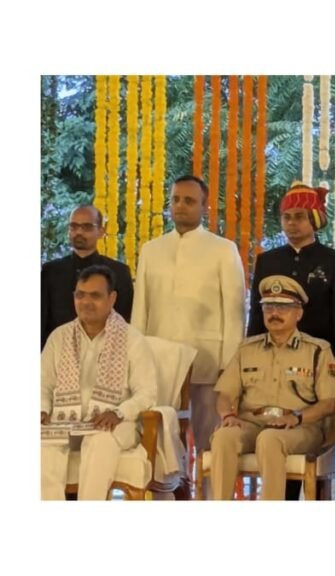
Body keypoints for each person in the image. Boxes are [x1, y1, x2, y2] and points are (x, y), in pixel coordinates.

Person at [132, 175, 246, 496]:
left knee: (210, 440)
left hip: (208, 362)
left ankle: (211, 500)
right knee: (160, 438)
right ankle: (164, 498)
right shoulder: (151, 250)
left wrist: (229, 367)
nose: (180, 206)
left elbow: (235, 313)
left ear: (205, 206)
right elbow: (141, 309)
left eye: (189, 201)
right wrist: (136, 359)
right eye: (176, 200)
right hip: (160, 363)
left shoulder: (223, 250)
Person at [247, 182, 335, 500]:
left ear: (314, 220)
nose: (292, 223)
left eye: (299, 217)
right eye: (287, 217)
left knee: (312, 436)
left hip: (318, 367)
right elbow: (257, 315)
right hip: (274, 363)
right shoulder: (268, 261)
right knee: (277, 429)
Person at [208, 275, 335, 500]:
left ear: (299, 313)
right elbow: (225, 393)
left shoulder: (317, 350)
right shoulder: (247, 349)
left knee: (270, 439)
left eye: (283, 307)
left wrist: (297, 418)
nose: (274, 314)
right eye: (268, 307)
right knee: (223, 437)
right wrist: (227, 414)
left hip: (300, 426)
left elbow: (329, 403)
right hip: (252, 422)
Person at [41, 265, 157, 500]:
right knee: (43, 442)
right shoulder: (59, 337)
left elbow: (147, 393)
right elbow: (42, 384)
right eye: (80, 295)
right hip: (65, 421)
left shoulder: (132, 339)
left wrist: (118, 413)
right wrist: (42, 409)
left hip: (116, 424)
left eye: (95, 296)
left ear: (112, 298)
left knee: (99, 440)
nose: (86, 302)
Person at [42, 205, 133, 349]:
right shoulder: (50, 271)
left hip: (107, 352)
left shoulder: (119, 272)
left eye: (87, 227)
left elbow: (125, 321)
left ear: (101, 231)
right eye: (74, 226)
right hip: (58, 350)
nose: (79, 232)